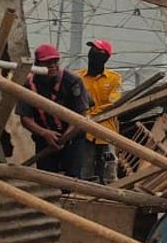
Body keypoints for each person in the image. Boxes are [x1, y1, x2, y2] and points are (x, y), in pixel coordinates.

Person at [16, 44, 90, 177]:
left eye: (55, 62)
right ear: (37, 64)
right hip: (44, 138)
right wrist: (44, 133)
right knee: (46, 177)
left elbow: (80, 116)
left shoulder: (72, 81)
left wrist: (65, 138)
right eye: (47, 63)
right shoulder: (28, 85)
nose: (52, 66)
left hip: (71, 136)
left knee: (72, 177)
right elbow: (25, 118)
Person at [77, 39, 123, 184]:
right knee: (86, 169)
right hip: (85, 133)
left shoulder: (114, 78)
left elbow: (113, 103)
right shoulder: (78, 77)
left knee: (109, 168)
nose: (94, 53)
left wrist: (90, 114)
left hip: (107, 133)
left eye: (98, 51)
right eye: (92, 50)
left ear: (106, 57)